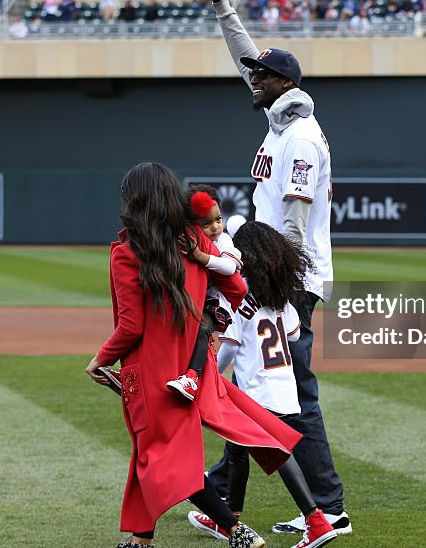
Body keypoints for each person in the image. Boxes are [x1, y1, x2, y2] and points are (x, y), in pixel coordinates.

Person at [86, 161, 303, 548]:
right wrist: (205, 319)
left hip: (150, 373)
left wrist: (100, 358)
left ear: (134, 203)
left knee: (163, 460)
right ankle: (141, 539)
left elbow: (131, 327)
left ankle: (237, 531)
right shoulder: (194, 241)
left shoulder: (127, 252)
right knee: (152, 455)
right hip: (191, 367)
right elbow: (236, 287)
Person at [208, 0, 351, 537]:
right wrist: (224, 10)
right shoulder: (279, 120)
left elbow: (294, 220)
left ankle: (328, 506)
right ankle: (225, 492)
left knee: (295, 392)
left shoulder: (299, 139)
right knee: (253, 383)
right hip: (276, 270)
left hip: (287, 275)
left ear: (285, 83)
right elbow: (247, 59)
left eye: (261, 76)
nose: (252, 79)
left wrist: (277, 289)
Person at [189, 219, 338, 548]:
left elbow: (229, 344)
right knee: (237, 453)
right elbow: (295, 334)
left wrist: (212, 378)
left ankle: (316, 521)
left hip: (256, 392)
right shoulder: (280, 299)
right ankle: (228, 518)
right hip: (283, 387)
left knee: (278, 454)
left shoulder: (238, 298)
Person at [165, 186, 244, 401]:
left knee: (202, 329)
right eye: (206, 224)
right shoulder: (189, 238)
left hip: (218, 302)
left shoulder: (224, 241)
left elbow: (229, 268)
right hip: (198, 298)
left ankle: (192, 378)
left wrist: (200, 255)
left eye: (218, 219)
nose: (215, 227)